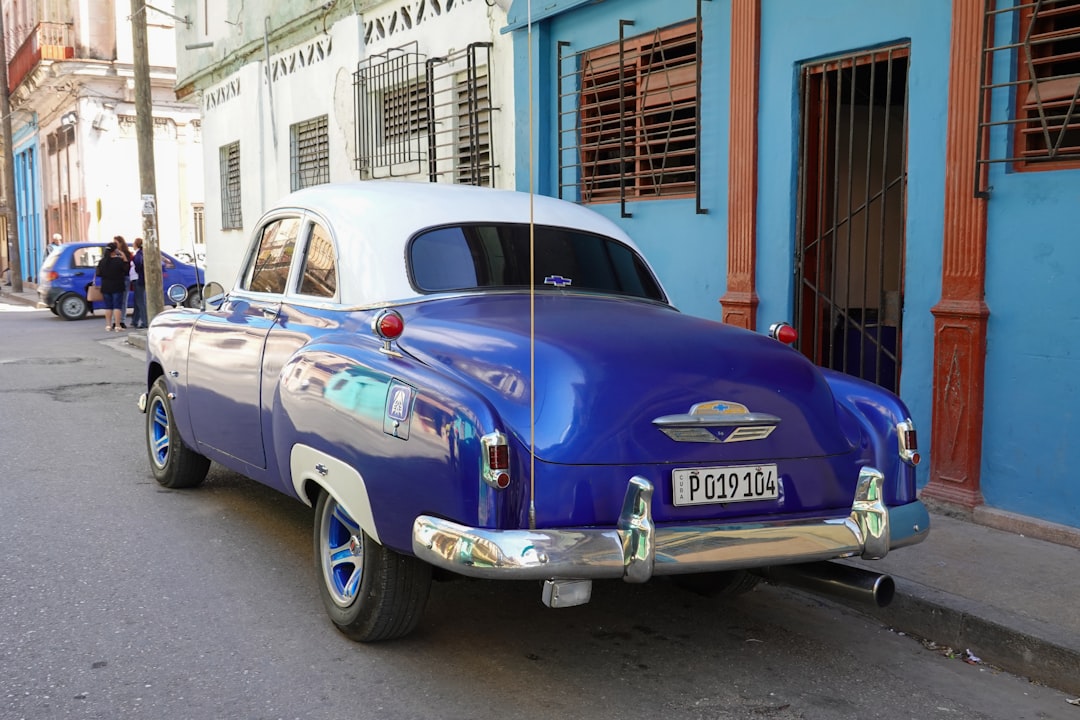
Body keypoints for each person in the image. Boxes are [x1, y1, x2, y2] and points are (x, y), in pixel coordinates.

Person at [95, 242, 130, 332]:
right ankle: (117, 326)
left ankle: (108, 325)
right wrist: (124, 258)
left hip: (106, 286)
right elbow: (126, 270)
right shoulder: (118, 261)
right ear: (115, 251)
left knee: (108, 307)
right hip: (117, 285)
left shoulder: (102, 261)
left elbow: (99, 273)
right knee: (117, 306)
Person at [113, 235, 133, 329]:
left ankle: (122, 321)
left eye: (116, 243)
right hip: (116, 278)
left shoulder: (126, 253)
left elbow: (127, 266)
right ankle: (115, 321)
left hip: (124, 278)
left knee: (123, 301)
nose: (115, 245)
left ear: (121, 243)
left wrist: (122, 255)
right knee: (116, 300)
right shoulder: (113, 253)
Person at [130, 237, 147, 329]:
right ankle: (135, 320)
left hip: (138, 279)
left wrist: (136, 270)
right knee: (137, 301)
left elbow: (138, 264)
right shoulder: (141, 253)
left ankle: (145, 321)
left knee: (140, 301)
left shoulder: (139, 254)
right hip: (137, 279)